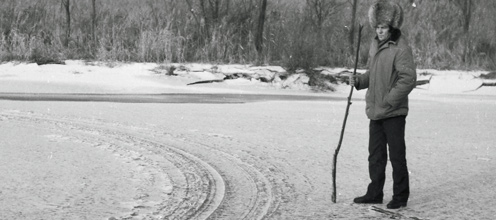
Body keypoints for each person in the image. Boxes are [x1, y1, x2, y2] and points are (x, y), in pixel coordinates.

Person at [350, 0, 416, 209]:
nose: (379, 31)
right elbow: (374, 73)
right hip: (377, 111)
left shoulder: (400, 47)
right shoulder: (376, 45)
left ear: (391, 27)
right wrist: (360, 81)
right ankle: (375, 193)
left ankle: (400, 196)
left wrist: (389, 101)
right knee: (376, 155)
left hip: (393, 112)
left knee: (397, 156)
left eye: (383, 27)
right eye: (377, 27)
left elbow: (408, 78)